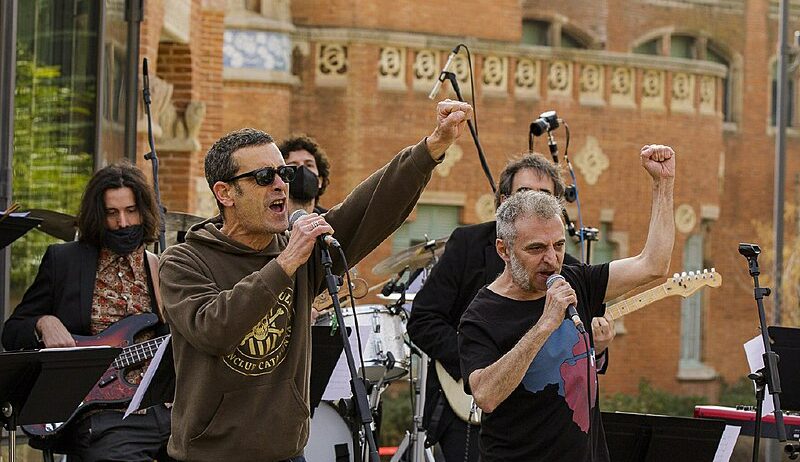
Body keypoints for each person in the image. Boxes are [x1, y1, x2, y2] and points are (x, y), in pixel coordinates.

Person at [157, 99, 473, 462]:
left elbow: (371, 205)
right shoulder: (184, 261)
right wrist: (286, 262)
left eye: (283, 174)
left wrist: (431, 147)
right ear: (225, 193)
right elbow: (214, 329)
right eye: (263, 177)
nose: (280, 185)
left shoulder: (302, 249)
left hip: (288, 453)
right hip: (210, 456)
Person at [458, 145, 675, 461]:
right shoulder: (481, 315)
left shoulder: (576, 280)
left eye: (558, 245)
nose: (551, 260)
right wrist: (545, 324)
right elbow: (486, 395)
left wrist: (663, 185)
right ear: (503, 250)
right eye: (535, 249)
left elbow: (653, 264)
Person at [407, 153, 615, 461]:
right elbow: (423, 319)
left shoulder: (565, 266)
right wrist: (474, 363)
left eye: (544, 196)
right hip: (464, 402)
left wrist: (598, 346)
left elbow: (582, 339)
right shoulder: (467, 243)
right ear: (504, 200)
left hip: (538, 417)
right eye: (524, 193)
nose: (534, 202)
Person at [2, 163, 173, 462]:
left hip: (165, 412)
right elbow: (12, 330)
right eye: (112, 213)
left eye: (131, 211)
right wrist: (43, 322)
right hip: (100, 417)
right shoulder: (65, 261)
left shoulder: (160, 267)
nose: (123, 223)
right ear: (98, 215)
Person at [278, 135, 331, 214]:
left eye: (309, 165)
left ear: (320, 180)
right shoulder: (268, 223)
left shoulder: (334, 223)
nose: (302, 169)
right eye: (293, 165)